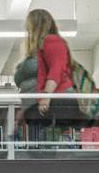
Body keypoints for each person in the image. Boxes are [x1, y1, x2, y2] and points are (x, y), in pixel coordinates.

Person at [17, 8, 80, 145]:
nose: (27, 31)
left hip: (51, 105)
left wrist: (46, 97)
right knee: (42, 148)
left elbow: (56, 70)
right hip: (38, 108)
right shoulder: (36, 50)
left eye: (29, 27)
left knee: (49, 147)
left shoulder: (52, 41)